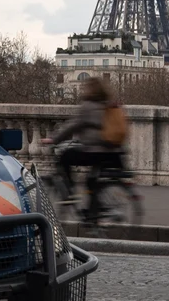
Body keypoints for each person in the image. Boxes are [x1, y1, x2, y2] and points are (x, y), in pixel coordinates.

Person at [42, 76, 126, 206]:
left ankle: (70, 193)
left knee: (66, 157)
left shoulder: (88, 106)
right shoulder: (109, 105)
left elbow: (73, 125)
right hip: (113, 151)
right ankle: (94, 213)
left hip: (95, 151)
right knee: (91, 180)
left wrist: (54, 139)